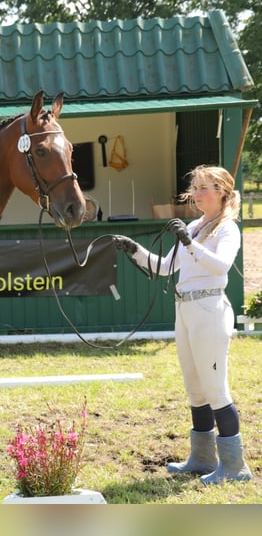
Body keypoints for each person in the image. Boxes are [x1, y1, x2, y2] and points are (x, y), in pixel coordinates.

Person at [112, 165, 252, 484]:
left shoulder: (227, 229)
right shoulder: (195, 225)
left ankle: (234, 466)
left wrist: (188, 241)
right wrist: (134, 250)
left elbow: (220, 265)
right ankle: (202, 459)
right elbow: (164, 267)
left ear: (222, 193)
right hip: (185, 310)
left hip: (209, 310)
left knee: (216, 388)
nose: (197, 193)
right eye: (196, 187)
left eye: (205, 188)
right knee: (195, 389)